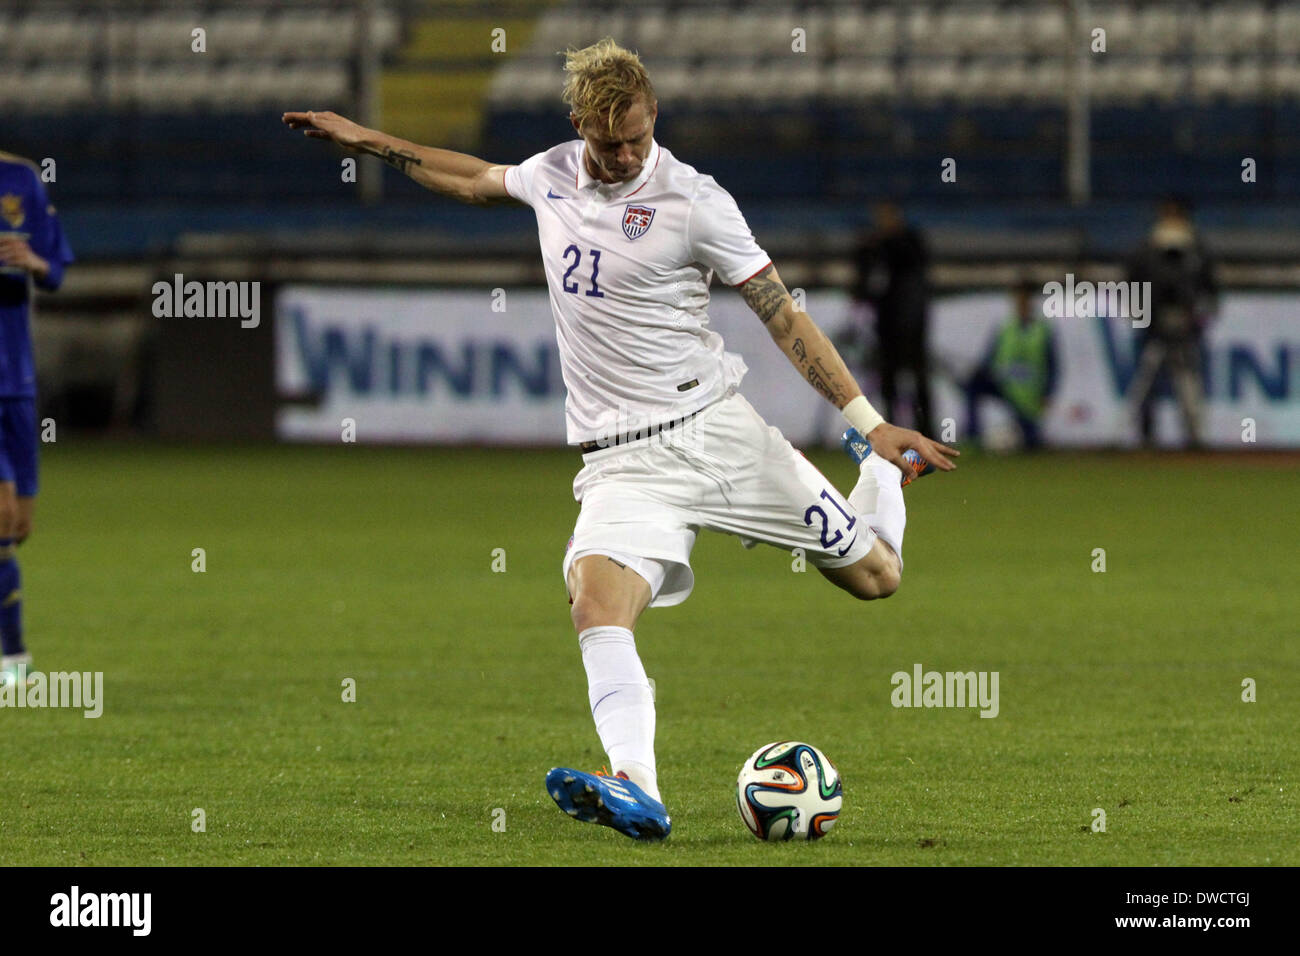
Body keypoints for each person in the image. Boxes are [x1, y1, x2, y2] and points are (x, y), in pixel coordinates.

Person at [284, 37, 957, 841]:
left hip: (718, 433)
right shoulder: (552, 175)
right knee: (595, 603)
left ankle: (875, 471)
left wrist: (869, 425)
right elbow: (467, 176)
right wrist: (370, 141)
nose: (625, 154)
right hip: (623, 462)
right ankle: (637, 786)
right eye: (609, 144)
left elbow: (782, 313)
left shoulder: (696, 201)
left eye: (637, 136)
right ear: (580, 127)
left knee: (876, 577)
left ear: (654, 115)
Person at [0, 150, 74, 687]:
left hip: (17, 382)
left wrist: (32, 262)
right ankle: (13, 658)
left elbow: (57, 271)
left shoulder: (22, 178)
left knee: (18, 527)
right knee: (0, 521)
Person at [1125, 199, 1218, 448]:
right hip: (1153, 328)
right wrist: (1145, 317)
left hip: (1186, 328)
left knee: (1188, 383)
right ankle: (1145, 435)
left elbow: (1208, 290)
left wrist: (1196, 319)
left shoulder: (1195, 251)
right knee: (1146, 383)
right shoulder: (1146, 250)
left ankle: (1193, 435)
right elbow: (1132, 286)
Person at [850, 201, 934, 437]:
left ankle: (926, 429)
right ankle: (892, 429)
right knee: (888, 378)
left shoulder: (907, 243)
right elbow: (863, 282)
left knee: (917, 377)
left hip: (910, 325)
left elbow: (916, 273)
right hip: (886, 327)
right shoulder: (876, 248)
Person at [963, 281, 1058, 450]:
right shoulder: (1006, 328)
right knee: (973, 386)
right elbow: (989, 359)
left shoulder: (1043, 330)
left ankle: (1028, 436)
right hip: (1005, 386)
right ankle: (972, 435)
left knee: (1032, 442)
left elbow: (1054, 366)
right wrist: (980, 372)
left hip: (1028, 395)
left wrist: (1048, 393)